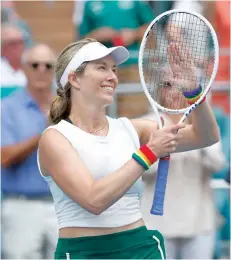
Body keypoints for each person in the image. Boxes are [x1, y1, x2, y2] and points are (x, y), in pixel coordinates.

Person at [37, 38, 219, 259]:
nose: (112, 77)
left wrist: (194, 92)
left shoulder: (132, 128)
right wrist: (150, 152)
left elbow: (206, 136)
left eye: (114, 69)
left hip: (141, 249)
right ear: (74, 78)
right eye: (101, 68)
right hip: (82, 252)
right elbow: (94, 200)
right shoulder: (54, 138)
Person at [140, 111, 227, 259]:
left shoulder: (205, 122)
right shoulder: (147, 123)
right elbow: (143, 171)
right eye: (168, 86)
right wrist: (158, 149)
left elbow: (218, 165)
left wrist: (199, 135)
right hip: (158, 222)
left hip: (199, 220)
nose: (174, 93)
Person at [1, 44, 58, 259]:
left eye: (48, 65)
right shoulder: (6, 108)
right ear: (24, 68)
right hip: (21, 206)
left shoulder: (68, 107)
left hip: (63, 205)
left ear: (55, 70)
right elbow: (4, 157)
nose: (41, 70)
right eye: (35, 64)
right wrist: (44, 133)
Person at [76, 0, 155, 118]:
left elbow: (152, 26)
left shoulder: (136, 2)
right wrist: (97, 35)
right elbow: (81, 39)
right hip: (100, 69)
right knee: (103, 116)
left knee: (136, 114)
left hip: (131, 66)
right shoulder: (89, 4)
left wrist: (133, 34)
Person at [1, 24, 27, 99]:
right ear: (3, 47)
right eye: (13, 43)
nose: (18, 47)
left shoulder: (34, 67)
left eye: (21, 42)